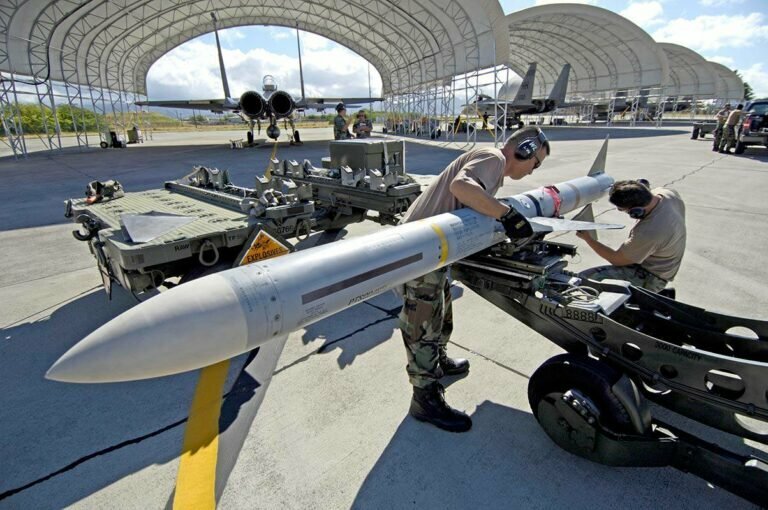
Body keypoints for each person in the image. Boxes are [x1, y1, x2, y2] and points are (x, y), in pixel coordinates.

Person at [398, 126, 550, 432]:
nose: (534, 171)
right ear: (524, 151)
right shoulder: (493, 158)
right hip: (418, 251)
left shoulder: (491, 166)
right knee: (422, 319)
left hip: (434, 250)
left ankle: (437, 359)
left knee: (440, 307)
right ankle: (424, 397)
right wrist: (507, 214)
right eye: (536, 163)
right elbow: (462, 187)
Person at [576, 180, 686, 293]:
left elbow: (616, 259)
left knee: (584, 280)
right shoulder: (668, 194)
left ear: (636, 211)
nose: (620, 210)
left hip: (651, 276)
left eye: (621, 209)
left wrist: (588, 239)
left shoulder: (649, 232)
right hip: (663, 264)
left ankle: (646, 294)